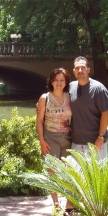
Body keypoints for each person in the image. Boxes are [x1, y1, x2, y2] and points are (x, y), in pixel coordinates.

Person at [36, 68, 72, 206]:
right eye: (56, 80)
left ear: (66, 82)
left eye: (62, 80)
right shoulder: (45, 98)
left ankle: (69, 203)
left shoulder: (70, 97)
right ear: (51, 81)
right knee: (52, 170)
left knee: (68, 171)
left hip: (68, 137)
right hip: (51, 137)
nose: (59, 82)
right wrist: (42, 141)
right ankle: (56, 203)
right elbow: (39, 120)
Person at [69, 56, 108, 159]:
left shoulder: (99, 89)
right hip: (76, 141)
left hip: (95, 142)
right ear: (74, 71)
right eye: (77, 68)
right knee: (76, 174)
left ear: (88, 69)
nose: (80, 70)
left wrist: (101, 137)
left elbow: (106, 113)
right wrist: (42, 104)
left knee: (96, 174)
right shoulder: (70, 87)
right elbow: (58, 99)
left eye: (83, 67)